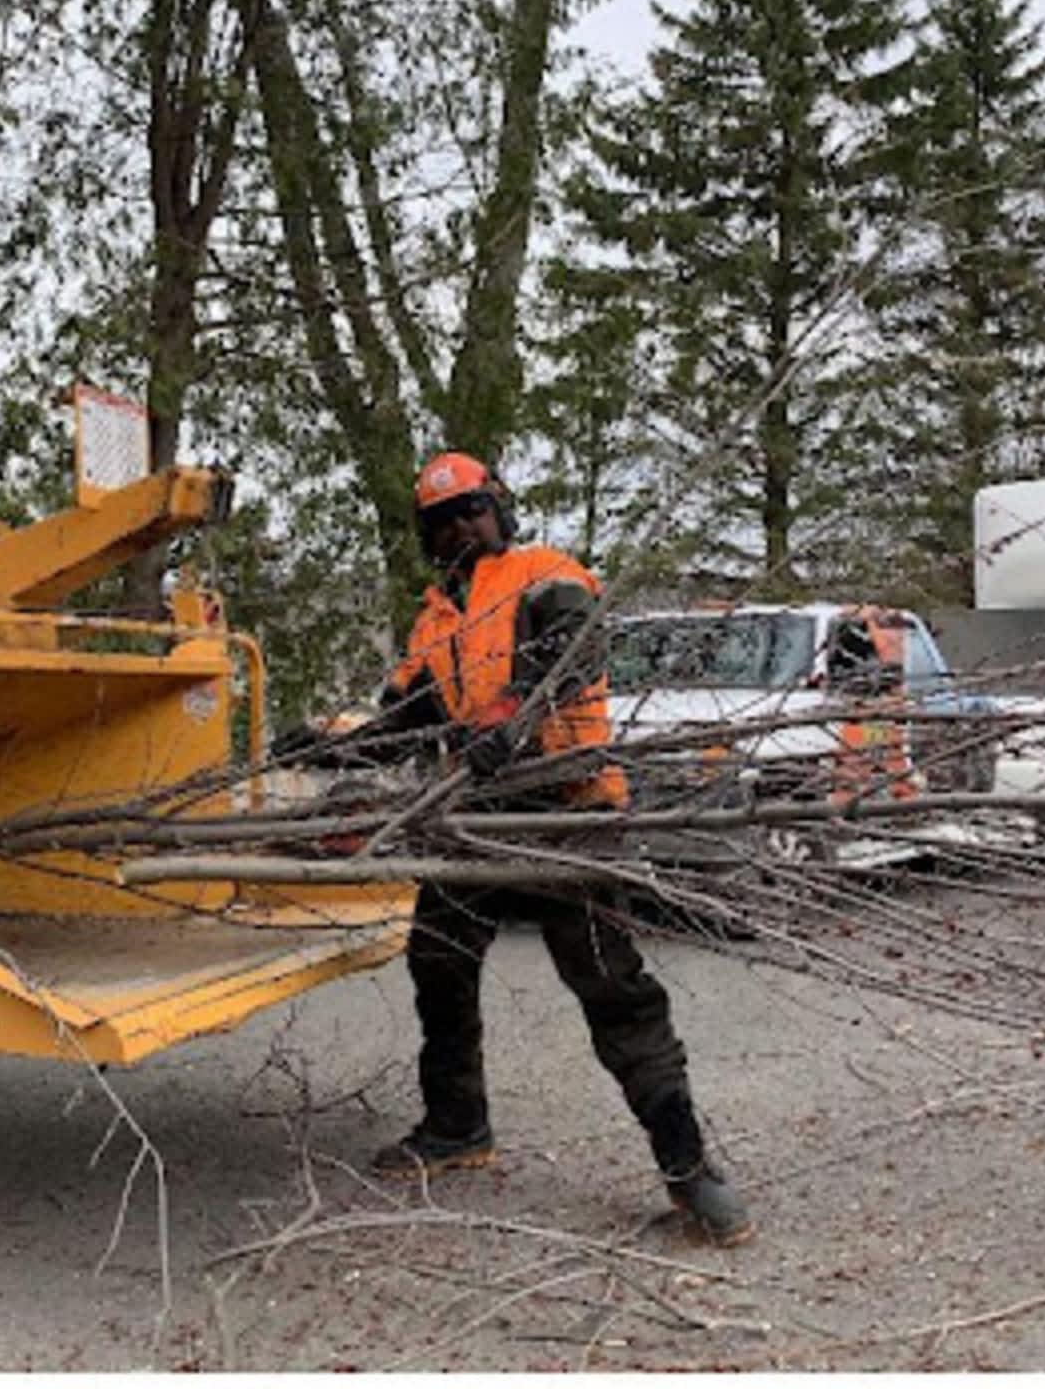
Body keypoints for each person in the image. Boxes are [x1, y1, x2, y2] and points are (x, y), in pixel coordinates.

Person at [322, 450, 752, 1246]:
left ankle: (692, 1175)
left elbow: (575, 650)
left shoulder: (545, 573)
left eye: (475, 510)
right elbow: (403, 718)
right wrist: (327, 747)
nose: (465, 527)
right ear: (431, 536)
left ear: (500, 505)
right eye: (447, 521)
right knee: (438, 959)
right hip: (476, 819)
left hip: (565, 811)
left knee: (613, 992)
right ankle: (457, 1128)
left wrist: (513, 714)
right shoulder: (434, 621)